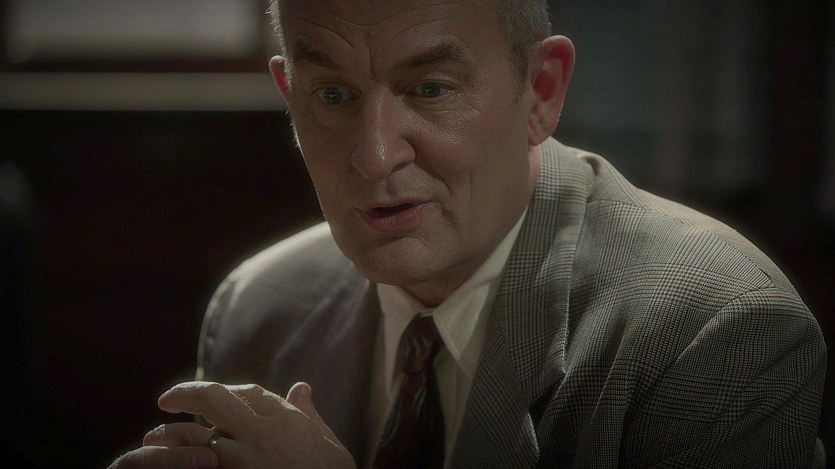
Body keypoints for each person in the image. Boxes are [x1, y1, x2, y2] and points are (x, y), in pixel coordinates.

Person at [110, 0, 827, 467]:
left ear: (541, 91)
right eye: (331, 95)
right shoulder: (262, 306)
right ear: (289, 95)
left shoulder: (714, 329)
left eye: (430, 90)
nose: (374, 155)